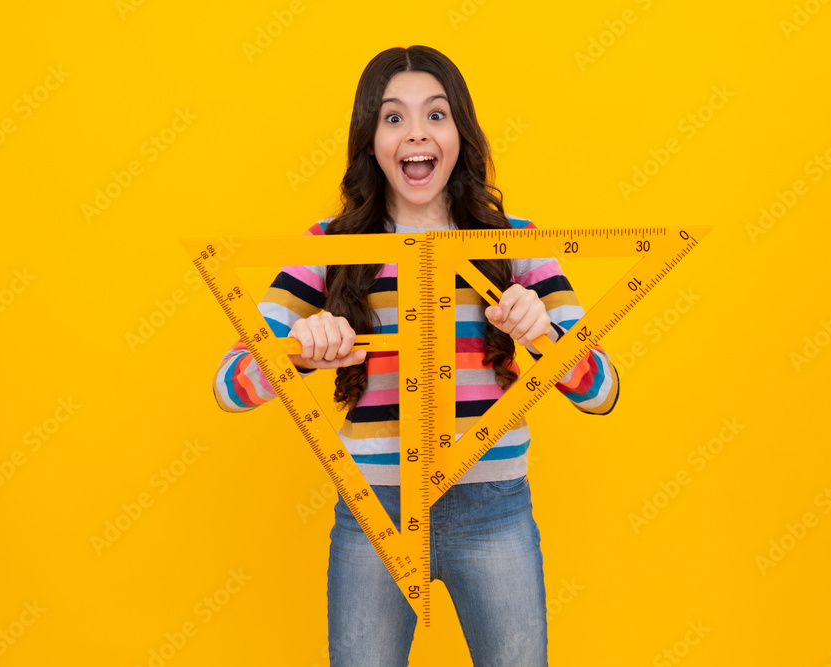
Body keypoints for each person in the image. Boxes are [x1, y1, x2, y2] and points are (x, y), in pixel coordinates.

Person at [212, 45, 620, 667]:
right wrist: (297, 352)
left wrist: (544, 336)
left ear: (461, 130)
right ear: (369, 138)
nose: (416, 134)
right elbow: (229, 385)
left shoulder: (516, 241)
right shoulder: (327, 248)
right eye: (393, 118)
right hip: (373, 514)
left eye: (436, 114)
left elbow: (603, 391)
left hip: (496, 513)